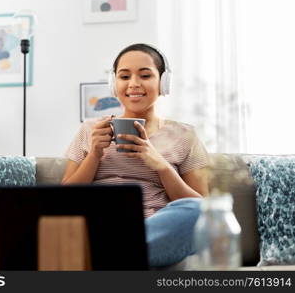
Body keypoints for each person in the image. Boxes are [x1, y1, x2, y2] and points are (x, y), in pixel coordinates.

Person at [62, 43, 210, 268]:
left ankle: (106, 255)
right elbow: (62, 201)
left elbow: (204, 207)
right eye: (124, 76)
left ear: (163, 82)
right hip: (97, 226)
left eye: (145, 75)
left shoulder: (185, 135)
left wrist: (160, 165)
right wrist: (94, 154)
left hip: (154, 230)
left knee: (199, 211)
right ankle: (120, 255)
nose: (133, 84)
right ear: (114, 84)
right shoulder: (90, 129)